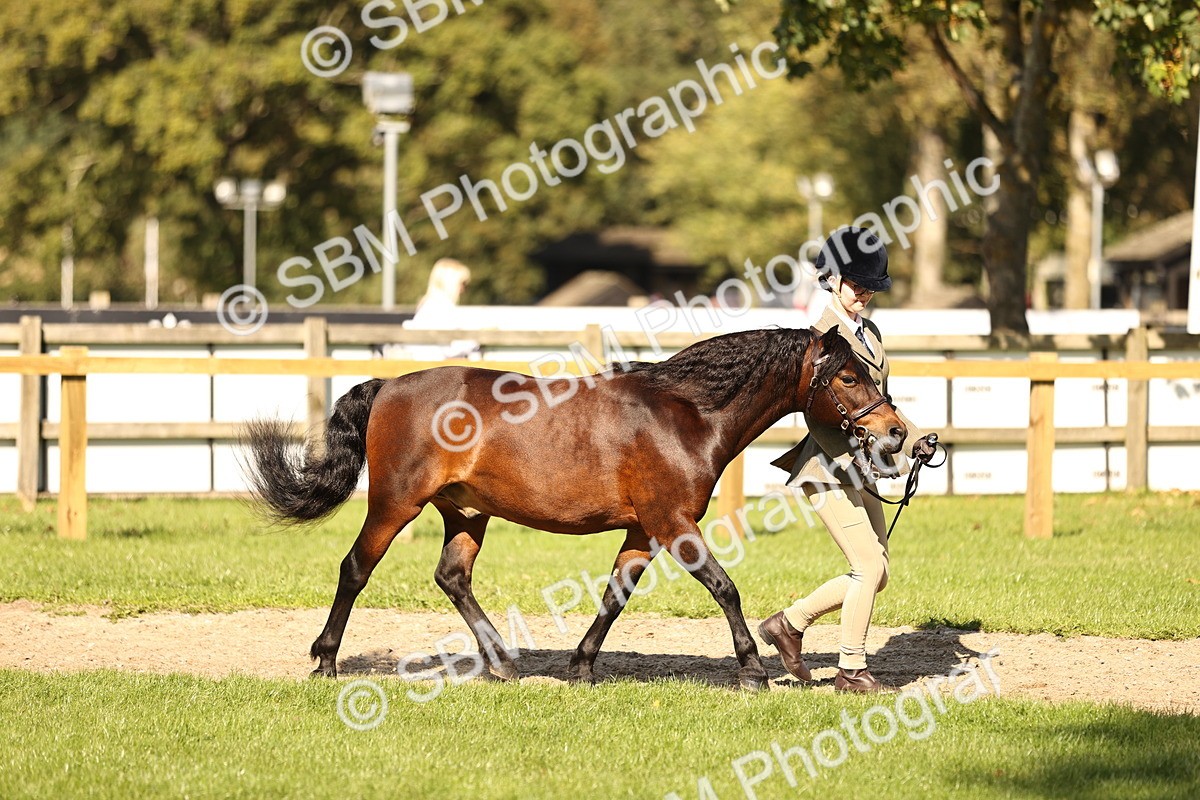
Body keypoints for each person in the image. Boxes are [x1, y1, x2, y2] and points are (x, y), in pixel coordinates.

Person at [759, 226, 937, 693]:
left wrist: (911, 438)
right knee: (867, 565)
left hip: (864, 467)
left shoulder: (871, 333)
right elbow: (820, 413)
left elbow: (879, 402)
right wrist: (863, 453)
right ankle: (851, 670)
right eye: (855, 283)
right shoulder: (820, 338)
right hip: (828, 464)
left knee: (877, 574)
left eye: (869, 286)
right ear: (832, 279)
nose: (862, 293)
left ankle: (788, 623)